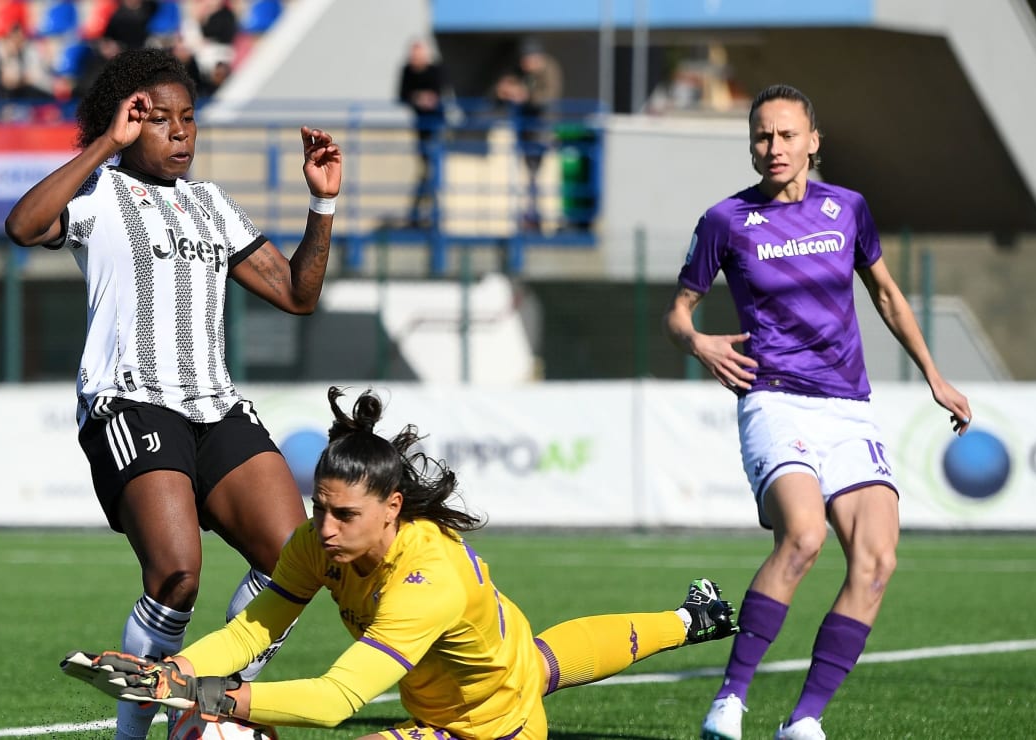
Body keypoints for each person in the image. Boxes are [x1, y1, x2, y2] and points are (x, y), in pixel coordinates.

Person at [60, 386, 740, 738]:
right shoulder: (317, 539)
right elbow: (253, 629)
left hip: (487, 730)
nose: (323, 529)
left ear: (393, 506)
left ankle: (690, 618)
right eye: (319, 508)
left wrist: (213, 698)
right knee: (538, 663)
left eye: (344, 516)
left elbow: (334, 701)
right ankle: (694, 616)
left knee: (530, 678)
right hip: (494, 663)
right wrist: (180, 668)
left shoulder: (426, 580)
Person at [3, 47, 341, 740]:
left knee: (299, 562)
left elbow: (298, 295)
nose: (181, 132)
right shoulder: (97, 195)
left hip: (214, 404)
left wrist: (322, 201)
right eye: (159, 120)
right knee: (178, 576)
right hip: (131, 402)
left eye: (189, 118)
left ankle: (214, 695)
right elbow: (23, 226)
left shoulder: (212, 204)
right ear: (127, 121)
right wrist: (104, 145)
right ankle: (134, 736)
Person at [662, 84, 973, 740]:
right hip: (775, 400)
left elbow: (886, 295)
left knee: (878, 560)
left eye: (785, 135)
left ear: (812, 142)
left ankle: (803, 721)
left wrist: (934, 376)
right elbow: (678, 312)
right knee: (804, 535)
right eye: (761, 137)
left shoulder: (849, 209)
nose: (772, 148)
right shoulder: (725, 221)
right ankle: (730, 701)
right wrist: (697, 340)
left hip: (849, 409)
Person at [495, 37, 561, 233]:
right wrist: (505, 90)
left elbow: (547, 97)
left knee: (542, 176)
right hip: (525, 131)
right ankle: (531, 218)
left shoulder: (549, 70)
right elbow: (502, 91)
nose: (525, 64)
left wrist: (525, 95)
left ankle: (540, 220)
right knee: (528, 176)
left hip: (544, 131)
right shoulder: (520, 72)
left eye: (528, 59)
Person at [396, 38, 446, 229]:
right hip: (420, 128)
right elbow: (402, 95)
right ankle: (420, 215)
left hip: (436, 128)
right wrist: (417, 98)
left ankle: (428, 216)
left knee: (432, 172)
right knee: (426, 172)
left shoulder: (436, 71)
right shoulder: (407, 71)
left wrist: (430, 99)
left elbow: (440, 94)